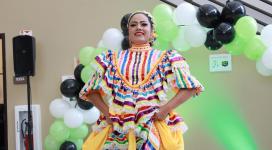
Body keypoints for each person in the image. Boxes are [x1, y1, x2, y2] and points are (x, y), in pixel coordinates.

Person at [79, 10, 204, 150]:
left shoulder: (165, 58)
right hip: (118, 127)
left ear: (152, 32)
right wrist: (107, 113)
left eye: (143, 24)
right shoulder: (111, 59)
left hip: (153, 126)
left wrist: (165, 109)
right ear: (128, 32)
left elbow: (190, 87)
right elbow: (90, 90)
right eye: (133, 25)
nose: (138, 27)